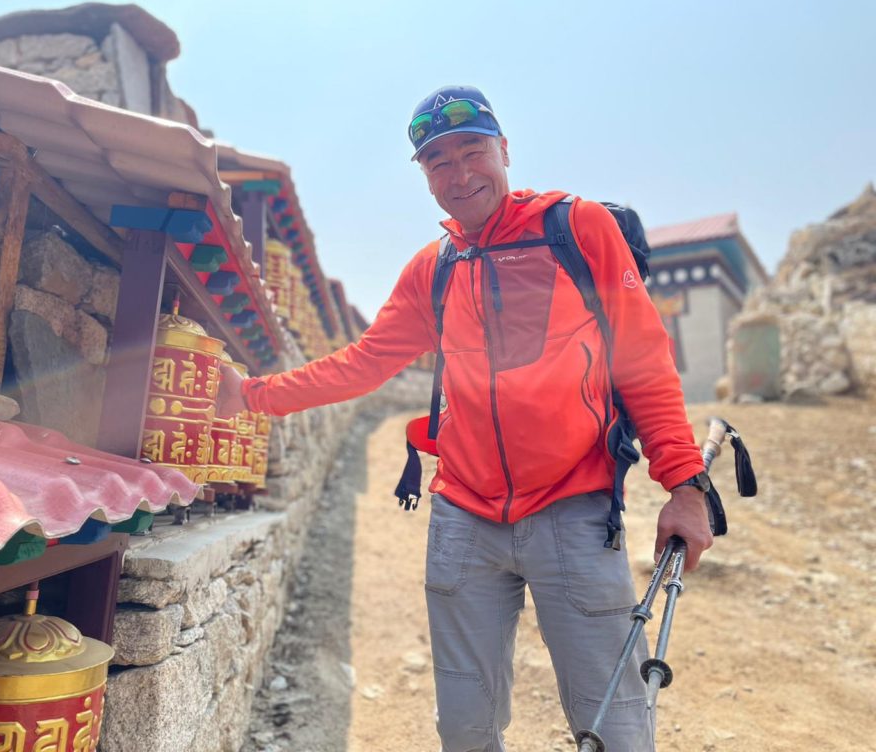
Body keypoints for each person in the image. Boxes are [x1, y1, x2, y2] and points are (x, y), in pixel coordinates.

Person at [217, 85, 713, 752]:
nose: (459, 174)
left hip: (574, 508)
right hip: (463, 520)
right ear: (424, 177)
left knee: (614, 722)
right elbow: (362, 365)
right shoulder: (434, 269)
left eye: (472, 151)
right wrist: (248, 395)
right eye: (437, 163)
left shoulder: (578, 228)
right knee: (464, 727)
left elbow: (644, 363)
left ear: (504, 150)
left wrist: (685, 485)